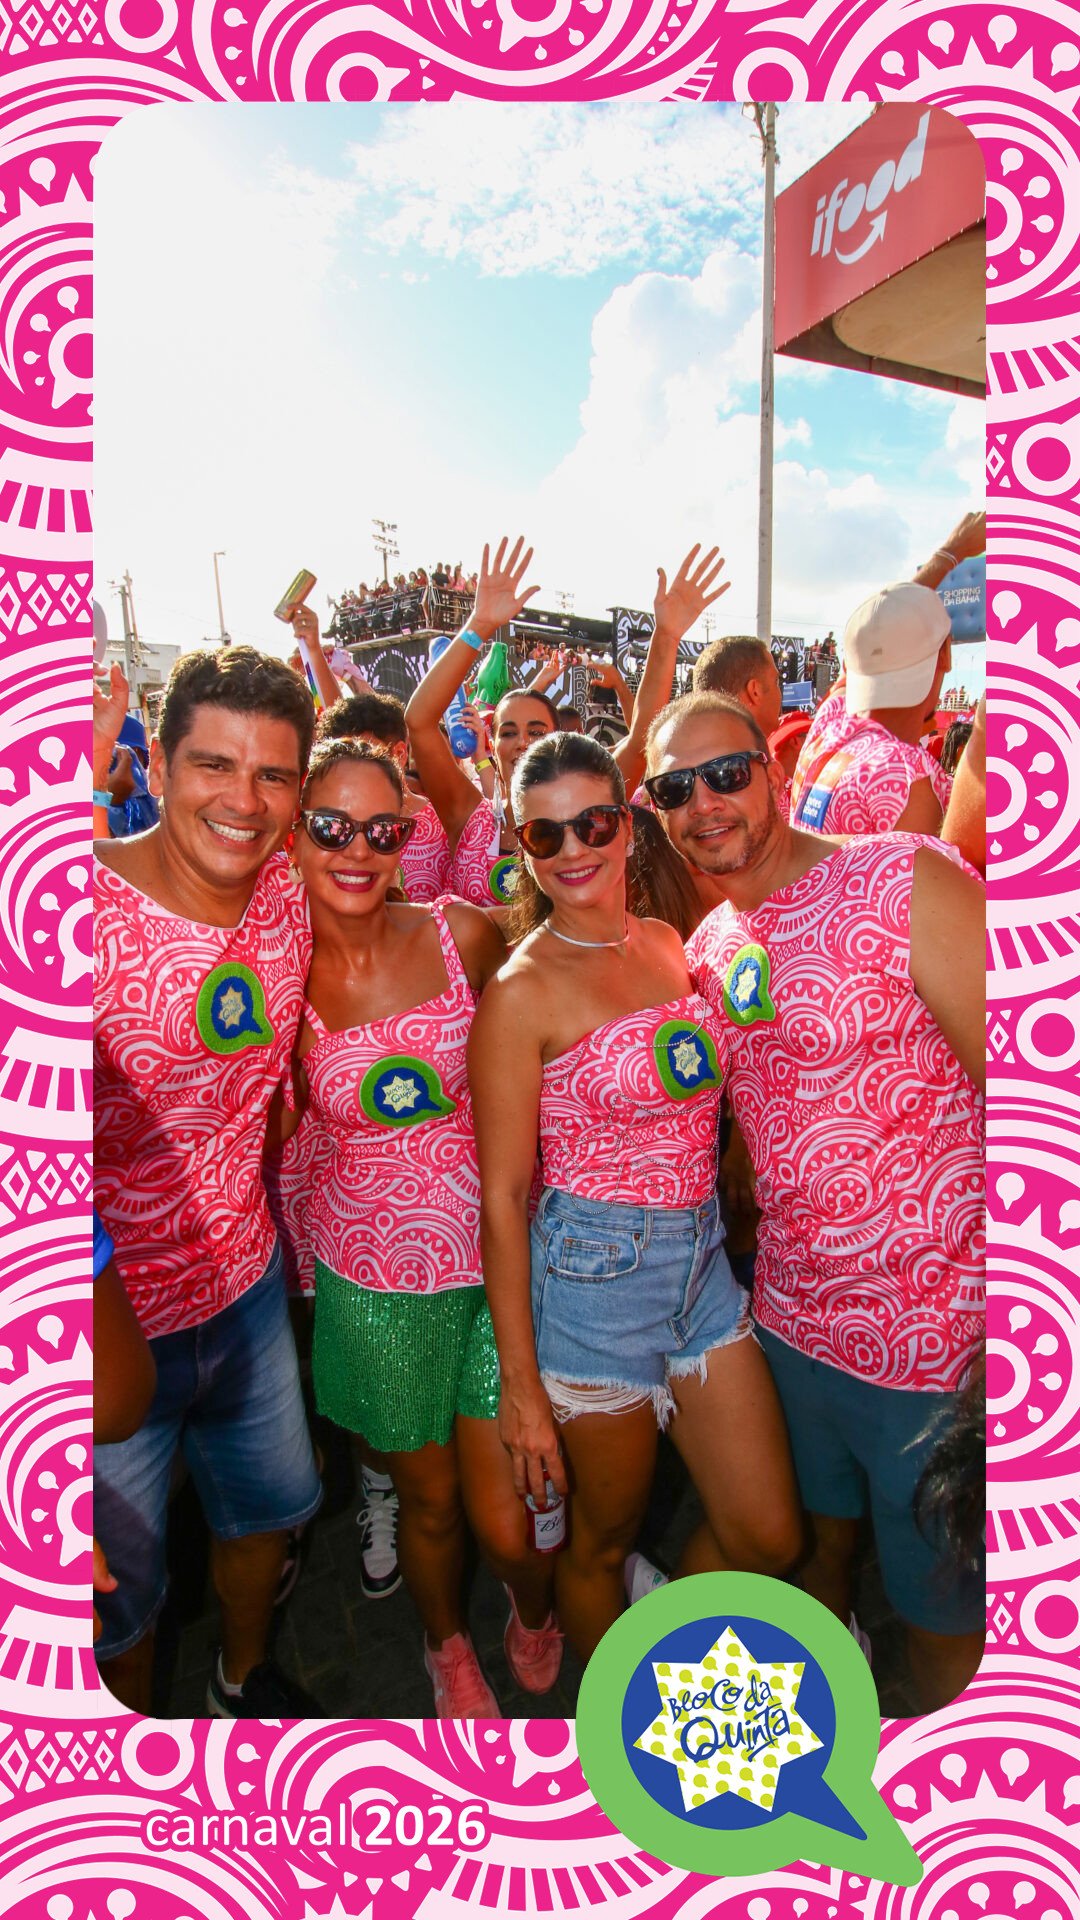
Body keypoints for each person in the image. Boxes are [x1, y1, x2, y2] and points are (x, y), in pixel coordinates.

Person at [646, 690, 986, 1711]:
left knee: (947, 1624)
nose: (705, 801)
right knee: (809, 1564)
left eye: (726, 772)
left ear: (775, 770)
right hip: (793, 1330)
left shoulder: (902, 877)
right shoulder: (709, 947)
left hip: (941, 1346)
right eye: (675, 787)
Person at [468, 730, 801, 1663]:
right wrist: (521, 1388)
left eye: (594, 823)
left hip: (702, 1267)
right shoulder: (520, 993)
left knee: (769, 1536)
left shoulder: (663, 942)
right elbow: (503, 1199)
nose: (574, 850)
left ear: (627, 822)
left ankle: (657, 1639)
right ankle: (611, 1712)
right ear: (522, 844)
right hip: (593, 1287)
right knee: (601, 1547)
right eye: (545, 835)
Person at [284, 737, 561, 1713]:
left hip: (494, 1268)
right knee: (431, 1505)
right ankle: (446, 1647)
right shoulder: (275, 978)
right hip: (375, 1288)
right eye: (332, 827)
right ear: (293, 833)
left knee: (511, 1511)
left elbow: (549, 1052)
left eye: (383, 830)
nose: (358, 850)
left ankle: (533, 1603)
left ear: (409, 836)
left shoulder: (461, 935)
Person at [94, 646, 324, 1718]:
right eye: (214, 765)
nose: (244, 800)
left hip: (245, 1292)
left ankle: (240, 1682)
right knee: (118, 1606)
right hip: (103, 1340)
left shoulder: (287, 891)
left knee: (266, 1516)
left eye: (273, 775)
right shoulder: (69, 918)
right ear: (159, 761)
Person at [789, 511, 985, 838]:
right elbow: (928, 876)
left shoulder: (830, 725)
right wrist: (952, 553)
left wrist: (949, 553)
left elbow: (880, 626)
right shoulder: (906, 777)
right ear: (946, 654)